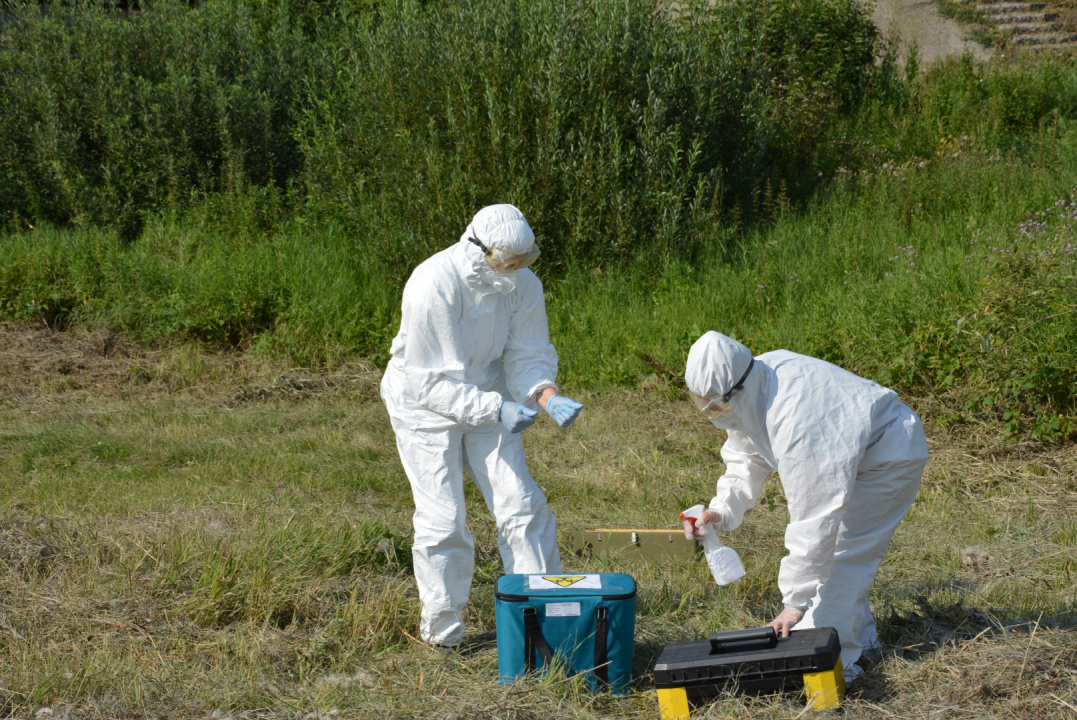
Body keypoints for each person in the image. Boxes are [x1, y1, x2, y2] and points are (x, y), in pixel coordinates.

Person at [380, 204, 583, 650]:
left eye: (523, 261)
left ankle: (543, 620)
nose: (514, 270)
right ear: (479, 249)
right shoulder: (435, 282)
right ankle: (443, 635)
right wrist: (496, 409)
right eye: (506, 261)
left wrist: (547, 396)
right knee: (444, 519)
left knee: (522, 504)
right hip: (425, 406)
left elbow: (528, 353)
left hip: (489, 393)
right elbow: (431, 383)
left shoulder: (523, 285)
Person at [681, 331, 928, 683]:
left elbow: (815, 519)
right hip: (856, 449)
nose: (712, 413)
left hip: (887, 454)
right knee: (838, 559)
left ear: (735, 391)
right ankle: (864, 643)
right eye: (701, 404)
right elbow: (745, 454)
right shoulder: (753, 386)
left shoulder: (797, 417)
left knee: (842, 556)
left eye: (714, 404)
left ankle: (839, 668)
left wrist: (794, 604)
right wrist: (721, 511)